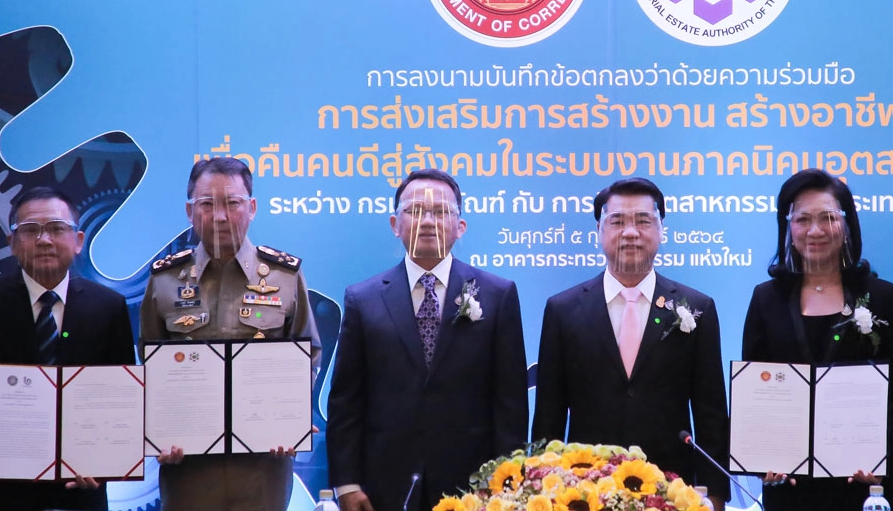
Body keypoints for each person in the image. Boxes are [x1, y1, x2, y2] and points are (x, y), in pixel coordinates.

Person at [327, 169, 528, 511]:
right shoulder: (363, 299)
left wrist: (506, 483)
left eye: (440, 211)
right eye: (415, 210)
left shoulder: (498, 295)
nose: (428, 221)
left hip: (475, 487)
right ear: (395, 224)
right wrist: (346, 483)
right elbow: (347, 402)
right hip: (384, 487)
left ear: (460, 226)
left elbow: (510, 404)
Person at [531, 178, 729, 509]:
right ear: (599, 231)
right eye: (618, 221)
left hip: (671, 490)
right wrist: (542, 489)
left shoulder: (698, 308)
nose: (630, 232)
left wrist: (716, 496)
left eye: (643, 221)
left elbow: (711, 414)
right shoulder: (562, 310)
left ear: (662, 230)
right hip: (584, 491)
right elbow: (548, 416)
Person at [140, 157, 321, 510]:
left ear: (252, 207)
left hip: (263, 467)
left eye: (232, 203)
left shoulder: (285, 276)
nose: (220, 216)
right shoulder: (164, 280)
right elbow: (150, 365)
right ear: (190, 211)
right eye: (207, 204)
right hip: (188, 468)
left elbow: (308, 355)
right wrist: (161, 430)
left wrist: (290, 418)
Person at [741, 169, 893, 510]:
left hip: (866, 480)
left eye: (827, 218)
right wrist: (764, 456)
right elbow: (755, 387)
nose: (815, 230)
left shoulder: (881, 296)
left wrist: (875, 449)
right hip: (791, 482)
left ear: (847, 225)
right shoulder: (766, 299)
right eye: (802, 219)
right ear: (788, 228)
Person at [0, 187, 135, 511]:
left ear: (78, 240)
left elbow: (122, 397)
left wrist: (107, 461)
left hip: (81, 488)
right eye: (30, 230)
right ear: (12, 243)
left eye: (56, 228)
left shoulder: (109, 307)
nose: (44, 240)